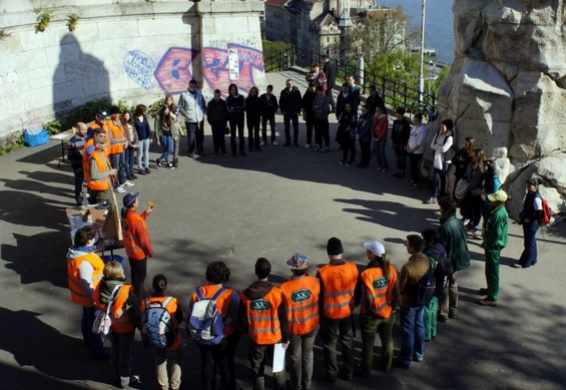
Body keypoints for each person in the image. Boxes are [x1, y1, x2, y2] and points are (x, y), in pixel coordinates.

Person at [189, 261, 240, 390]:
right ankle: (228, 387)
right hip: (224, 335)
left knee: (207, 363)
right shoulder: (230, 294)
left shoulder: (198, 293)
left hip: (203, 334)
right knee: (225, 364)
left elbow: (191, 313)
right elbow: (236, 315)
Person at [239, 258, 288, 390]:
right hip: (275, 338)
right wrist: (286, 338)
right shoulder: (277, 294)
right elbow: (283, 319)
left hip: (256, 338)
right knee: (278, 369)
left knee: (257, 370)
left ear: (256, 272)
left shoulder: (245, 295)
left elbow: (242, 319)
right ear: (269, 272)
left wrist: (248, 331)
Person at [316, 237, 359, 383]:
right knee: (347, 342)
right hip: (347, 312)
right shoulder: (353, 267)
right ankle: (349, 371)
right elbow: (358, 291)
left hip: (330, 315)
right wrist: (354, 304)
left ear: (328, 253)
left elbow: (319, 296)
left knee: (330, 344)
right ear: (342, 251)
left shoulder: (323, 272)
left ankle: (331, 373)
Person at [94, 260, 141, 389]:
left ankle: (116, 374)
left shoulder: (99, 286)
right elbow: (135, 312)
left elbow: (96, 302)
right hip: (125, 327)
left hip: (109, 326)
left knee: (115, 350)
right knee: (125, 353)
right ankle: (125, 378)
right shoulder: (126, 290)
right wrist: (141, 326)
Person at [66, 226, 108, 359]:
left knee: (86, 318)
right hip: (91, 297)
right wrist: (96, 298)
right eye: (93, 238)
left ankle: (88, 342)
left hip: (83, 297)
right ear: (87, 241)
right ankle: (97, 350)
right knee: (94, 324)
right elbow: (86, 282)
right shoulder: (84, 262)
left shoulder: (76, 254)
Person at [280, 253, 320, 390]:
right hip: (312, 325)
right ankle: (307, 384)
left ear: (291, 269)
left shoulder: (284, 288)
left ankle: (295, 385)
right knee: (308, 355)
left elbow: (283, 312)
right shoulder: (315, 282)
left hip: (294, 328)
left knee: (295, 358)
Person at [359, 240, 399, 376]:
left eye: (368, 251)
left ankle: (366, 371)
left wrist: (369, 313)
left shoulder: (367, 274)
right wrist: (393, 308)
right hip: (388, 313)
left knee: (368, 344)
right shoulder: (392, 270)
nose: (366, 252)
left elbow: (369, 298)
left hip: (371, 315)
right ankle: (386, 366)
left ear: (372, 255)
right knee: (387, 340)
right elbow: (396, 292)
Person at [143, 274, 183, 390]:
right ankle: (175, 385)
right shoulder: (173, 301)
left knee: (160, 359)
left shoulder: (146, 302)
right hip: (172, 337)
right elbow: (179, 318)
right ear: (166, 286)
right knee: (178, 357)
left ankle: (163, 386)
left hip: (155, 336)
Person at [396, 235, 429, 369]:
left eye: (407, 244)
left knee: (408, 331)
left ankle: (406, 359)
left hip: (408, 302)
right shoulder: (426, 259)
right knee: (419, 325)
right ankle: (419, 353)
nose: (406, 245)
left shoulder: (407, 267)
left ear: (412, 248)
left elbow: (401, 287)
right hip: (422, 299)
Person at [438, 197, 470, 322]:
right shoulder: (459, 223)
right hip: (459, 258)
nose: (439, 210)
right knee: (453, 284)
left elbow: (441, 247)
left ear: (445, 210)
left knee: (444, 285)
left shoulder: (445, 227)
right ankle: (453, 309)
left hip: (449, 260)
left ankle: (443, 312)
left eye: (441, 208)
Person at [477, 190, 509, 306]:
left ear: (499, 202)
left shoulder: (498, 214)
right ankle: (490, 288)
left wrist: (487, 243)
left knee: (492, 271)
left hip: (493, 245)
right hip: (492, 244)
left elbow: (495, 233)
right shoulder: (499, 211)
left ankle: (492, 296)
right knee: (489, 269)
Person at [120, 192, 154, 299]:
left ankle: (137, 290)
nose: (138, 201)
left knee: (135, 275)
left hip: (130, 252)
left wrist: (145, 213)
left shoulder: (125, 216)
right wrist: (150, 251)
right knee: (140, 278)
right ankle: (139, 299)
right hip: (139, 254)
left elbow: (134, 226)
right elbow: (143, 241)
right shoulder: (136, 220)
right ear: (134, 204)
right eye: (136, 200)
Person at [421, 229, 449, 342]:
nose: (423, 241)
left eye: (424, 239)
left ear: (430, 241)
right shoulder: (440, 248)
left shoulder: (430, 255)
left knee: (427, 310)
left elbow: (427, 271)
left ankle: (426, 333)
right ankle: (432, 331)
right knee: (433, 308)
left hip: (431, 286)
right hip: (440, 284)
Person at [516, 177, 544, 268]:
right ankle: (533, 260)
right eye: (527, 185)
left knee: (528, 243)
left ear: (535, 186)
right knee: (531, 241)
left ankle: (525, 263)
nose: (528, 186)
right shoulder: (530, 194)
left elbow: (539, 213)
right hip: (528, 222)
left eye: (530, 185)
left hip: (532, 224)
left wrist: (530, 219)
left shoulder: (536, 198)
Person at [427, 119, 454, 204]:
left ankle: (442, 195)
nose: (441, 128)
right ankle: (434, 196)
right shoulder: (438, 133)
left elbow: (444, 149)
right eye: (441, 127)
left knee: (442, 178)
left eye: (443, 127)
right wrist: (438, 146)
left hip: (445, 160)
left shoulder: (450, 137)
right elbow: (432, 145)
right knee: (435, 178)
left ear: (448, 127)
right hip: (437, 158)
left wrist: (437, 146)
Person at [178, 79, 207, 157]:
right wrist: (186, 114)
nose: (193, 87)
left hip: (199, 118)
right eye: (191, 86)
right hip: (190, 119)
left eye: (194, 86)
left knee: (200, 135)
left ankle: (200, 150)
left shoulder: (199, 93)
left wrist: (203, 112)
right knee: (191, 136)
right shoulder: (184, 95)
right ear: (189, 85)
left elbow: (203, 103)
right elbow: (180, 107)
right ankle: (191, 151)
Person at [105, 105, 131, 193]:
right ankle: (115, 185)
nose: (116, 115)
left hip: (122, 147)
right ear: (111, 114)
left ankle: (122, 181)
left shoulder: (119, 121)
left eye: (117, 113)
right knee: (115, 167)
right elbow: (109, 138)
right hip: (115, 149)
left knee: (122, 165)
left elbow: (123, 133)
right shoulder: (108, 124)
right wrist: (121, 140)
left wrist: (126, 141)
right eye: (114, 114)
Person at [87, 132, 116, 204]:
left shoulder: (102, 152)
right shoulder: (94, 158)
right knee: (101, 210)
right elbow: (94, 175)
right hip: (100, 189)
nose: (106, 145)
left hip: (105, 186)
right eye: (103, 144)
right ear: (97, 145)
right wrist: (109, 172)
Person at [67, 122, 88, 205]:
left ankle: (89, 198)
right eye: (83, 130)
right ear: (78, 130)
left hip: (88, 166)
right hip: (79, 167)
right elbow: (70, 157)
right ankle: (78, 200)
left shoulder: (88, 138)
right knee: (79, 183)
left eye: (86, 129)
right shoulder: (72, 141)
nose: (85, 131)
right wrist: (76, 168)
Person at [154, 95, 178, 169]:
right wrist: (157, 139)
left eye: (168, 110)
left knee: (170, 149)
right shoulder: (159, 117)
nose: (166, 111)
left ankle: (159, 160)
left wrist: (175, 134)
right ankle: (168, 163)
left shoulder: (171, 115)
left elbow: (174, 124)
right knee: (166, 149)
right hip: (163, 134)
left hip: (170, 134)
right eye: (165, 110)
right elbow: (156, 128)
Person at [406, 113, 427, 188]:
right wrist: (408, 147)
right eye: (414, 120)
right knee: (412, 166)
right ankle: (413, 179)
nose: (415, 122)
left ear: (420, 120)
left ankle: (415, 181)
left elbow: (419, 143)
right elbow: (410, 138)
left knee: (414, 166)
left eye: (416, 120)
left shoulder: (422, 130)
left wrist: (411, 150)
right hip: (410, 149)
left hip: (417, 152)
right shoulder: (414, 127)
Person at [279, 79, 302, 147]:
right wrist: (283, 111)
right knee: (287, 128)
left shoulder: (297, 92)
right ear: (286, 84)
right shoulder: (283, 92)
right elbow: (281, 102)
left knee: (296, 128)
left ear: (293, 84)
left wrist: (298, 111)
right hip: (286, 113)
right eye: (288, 84)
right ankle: (288, 141)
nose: (289, 85)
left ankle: (295, 141)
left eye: (290, 83)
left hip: (294, 113)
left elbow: (299, 102)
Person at [226, 83, 247, 157]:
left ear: (236, 89)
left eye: (234, 89)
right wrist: (236, 109)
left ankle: (242, 150)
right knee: (233, 135)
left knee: (241, 135)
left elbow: (244, 107)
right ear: (230, 90)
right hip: (232, 119)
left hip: (240, 118)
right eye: (231, 90)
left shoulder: (241, 97)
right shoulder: (228, 98)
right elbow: (228, 109)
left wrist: (234, 108)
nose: (233, 91)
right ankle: (234, 151)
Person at [206, 89, 228, 156]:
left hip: (221, 122)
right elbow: (208, 114)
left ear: (220, 95)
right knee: (215, 138)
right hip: (214, 123)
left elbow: (226, 113)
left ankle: (223, 151)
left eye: (218, 95)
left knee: (222, 137)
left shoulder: (223, 103)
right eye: (216, 95)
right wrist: (210, 122)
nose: (217, 97)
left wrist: (225, 122)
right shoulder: (210, 103)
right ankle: (216, 151)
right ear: (214, 95)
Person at [391, 107, 411, 179]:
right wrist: (392, 140)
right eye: (397, 115)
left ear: (402, 115)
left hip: (402, 143)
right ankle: (398, 170)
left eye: (399, 115)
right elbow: (393, 132)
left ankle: (402, 171)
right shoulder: (395, 122)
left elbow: (407, 134)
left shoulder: (406, 123)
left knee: (402, 157)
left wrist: (405, 144)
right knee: (397, 157)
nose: (397, 117)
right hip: (396, 141)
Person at [133, 104, 152, 175]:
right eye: (144, 110)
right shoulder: (134, 119)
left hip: (146, 138)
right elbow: (134, 131)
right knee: (139, 153)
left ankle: (146, 166)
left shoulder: (144, 117)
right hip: (139, 139)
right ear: (140, 111)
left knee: (146, 152)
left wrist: (150, 136)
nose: (145, 112)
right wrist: (136, 140)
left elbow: (148, 127)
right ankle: (140, 168)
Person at [312, 85, 332, 152]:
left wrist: (318, 107)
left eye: (318, 91)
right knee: (317, 132)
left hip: (324, 118)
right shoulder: (316, 98)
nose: (317, 93)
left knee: (325, 132)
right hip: (317, 118)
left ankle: (326, 145)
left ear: (321, 91)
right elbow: (313, 106)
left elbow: (326, 108)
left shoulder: (327, 98)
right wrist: (318, 108)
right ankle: (318, 144)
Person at [121, 112, 139, 181]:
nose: (126, 117)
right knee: (126, 159)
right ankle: (127, 173)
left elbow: (135, 133)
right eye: (125, 116)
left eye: (128, 116)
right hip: (127, 144)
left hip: (133, 142)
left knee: (131, 159)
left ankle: (131, 172)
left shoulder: (132, 123)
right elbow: (125, 136)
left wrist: (136, 142)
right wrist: (131, 145)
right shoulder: (123, 125)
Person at [372, 105, 389, 172]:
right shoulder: (375, 116)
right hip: (376, 136)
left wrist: (379, 137)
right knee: (377, 152)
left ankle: (385, 166)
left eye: (378, 110)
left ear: (381, 111)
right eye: (376, 110)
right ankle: (380, 165)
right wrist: (373, 136)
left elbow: (384, 130)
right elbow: (373, 125)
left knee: (382, 152)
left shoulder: (384, 118)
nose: (377, 112)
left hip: (381, 137)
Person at [245, 86, 262, 152]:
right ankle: (251, 146)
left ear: (256, 93)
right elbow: (246, 109)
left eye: (254, 92)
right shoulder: (247, 100)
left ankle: (257, 146)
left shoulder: (258, 99)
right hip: (250, 118)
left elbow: (260, 109)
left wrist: (258, 115)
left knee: (257, 133)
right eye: (252, 91)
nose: (253, 93)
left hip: (257, 118)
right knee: (250, 133)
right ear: (250, 92)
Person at [302, 81, 317, 148]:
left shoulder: (317, 95)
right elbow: (303, 106)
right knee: (309, 129)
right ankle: (308, 142)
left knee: (317, 130)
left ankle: (317, 142)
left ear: (315, 87)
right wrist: (304, 115)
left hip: (316, 115)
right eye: (311, 87)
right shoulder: (306, 95)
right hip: (309, 114)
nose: (312, 88)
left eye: (313, 87)